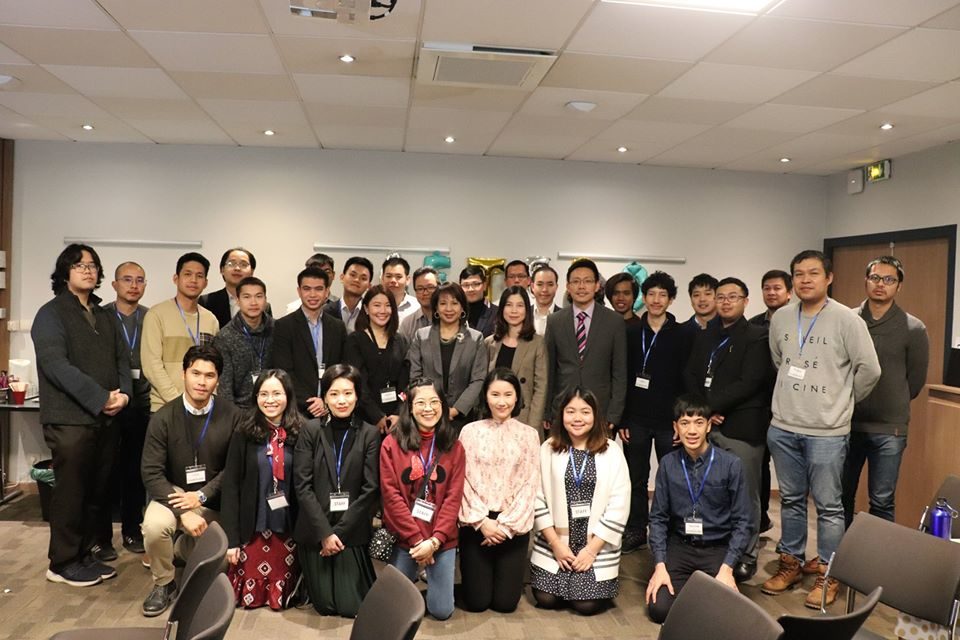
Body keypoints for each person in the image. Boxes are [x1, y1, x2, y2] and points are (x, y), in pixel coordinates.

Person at [762, 250, 881, 608]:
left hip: (828, 431)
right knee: (791, 500)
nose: (805, 280)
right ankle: (791, 563)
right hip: (784, 426)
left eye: (813, 273)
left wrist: (842, 400)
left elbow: (870, 369)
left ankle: (829, 574)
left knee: (829, 506)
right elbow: (780, 360)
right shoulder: (782, 317)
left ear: (829, 278)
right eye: (798, 274)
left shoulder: (847, 320)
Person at [32, 243, 131, 587]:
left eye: (92, 265)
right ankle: (62, 563)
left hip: (106, 419)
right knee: (71, 493)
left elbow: (122, 360)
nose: (88, 270)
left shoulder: (104, 315)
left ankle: (85, 554)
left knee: (96, 493)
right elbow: (55, 365)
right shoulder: (51, 314)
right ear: (65, 272)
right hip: (69, 419)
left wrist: (124, 395)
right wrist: (100, 397)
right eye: (79, 265)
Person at [140, 345, 240, 616]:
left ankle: (179, 548)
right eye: (196, 373)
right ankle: (164, 582)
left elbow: (234, 468)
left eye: (209, 375)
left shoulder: (232, 416)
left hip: (213, 499)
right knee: (154, 526)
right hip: (173, 494)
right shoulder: (163, 417)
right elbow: (151, 472)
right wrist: (182, 511)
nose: (202, 382)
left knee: (223, 560)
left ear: (218, 380)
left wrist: (202, 495)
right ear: (183, 374)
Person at [683, 277, 771, 582]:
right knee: (708, 491)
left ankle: (746, 554)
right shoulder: (706, 335)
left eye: (733, 297)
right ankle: (715, 550)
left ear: (746, 301)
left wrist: (710, 408)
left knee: (745, 494)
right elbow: (691, 374)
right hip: (708, 427)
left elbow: (750, 381)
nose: (725, 302)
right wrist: (705, 412)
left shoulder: (757, 336)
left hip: (741, 427)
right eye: (720, 297)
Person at [645, 394, 752, 624]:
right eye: (685, 423)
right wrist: (660, 565)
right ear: (676, 427)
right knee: (659, 609)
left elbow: (744, 521)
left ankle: (700, 597)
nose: (692, 431)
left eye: (699, 423)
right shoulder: (668, 464)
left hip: (717, 549)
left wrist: (727, 568)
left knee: (724, 615)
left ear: (709, 426)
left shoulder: (731, 464)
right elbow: (658, 519)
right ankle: (697, 598)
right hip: (681, 547)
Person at [842, 256, 928, 527]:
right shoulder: (847, 320)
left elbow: (915, 381)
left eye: (889, 279)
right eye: (875, 278)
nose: (881, 284)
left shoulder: (913, 328)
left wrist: (892, 398)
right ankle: (839, 550)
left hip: (890, 428)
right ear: (866, 281)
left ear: (899, 286)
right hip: (845, 422)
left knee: (882, 500)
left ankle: (878, 553)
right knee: (840, 495)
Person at [530, 387, 630, 616]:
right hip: (556, 542)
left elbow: (620, 503)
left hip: (595, 544)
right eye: (570, 411)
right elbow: (537, 497)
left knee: (585, 605)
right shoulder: (548, 448)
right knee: (545, 598)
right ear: (561, 415)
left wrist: (592, 551)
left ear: (595, 415)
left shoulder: (612, 451)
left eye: (585, 412)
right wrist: (556, 545)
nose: (577, 418)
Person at [294, 364, 380, 618]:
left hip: (349, 530)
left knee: (350, 607)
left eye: (348, 393)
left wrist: (337, 534)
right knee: (326, 607)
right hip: (316, 529)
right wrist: (325, 533)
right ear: (324, 397)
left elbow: (370, 488)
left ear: (357, 395)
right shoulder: (310, 430)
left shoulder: (370, 433)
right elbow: (302, 485)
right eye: (334, 394)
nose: (341, 400)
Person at [619, 270, 694, 554]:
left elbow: (687, 380)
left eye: (663, 295)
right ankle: (637, 529)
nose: (656, 300)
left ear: (671, 299)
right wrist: (623, 419)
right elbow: (624, 377)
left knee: (672, 476)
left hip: (668, 421)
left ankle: (671, 529)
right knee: (636, 478)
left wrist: (681, 421)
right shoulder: (631, 332)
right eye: (651, 294)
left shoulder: (683, 334)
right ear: (644, 297)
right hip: (636, 419)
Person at [379, 378, 466, 620]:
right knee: (394, 609)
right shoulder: (391, 444)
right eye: (420, 403)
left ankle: (432, 588)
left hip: (440, 539)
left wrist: (434, 542)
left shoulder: (455, 446)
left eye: (434, 402)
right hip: (406, 537)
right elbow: (391, 497)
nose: (428, 409)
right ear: (410, 407)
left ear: (443, 405)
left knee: (441, 611)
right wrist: (418, 541)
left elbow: (453, 499)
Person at [458, 368, 540, 613]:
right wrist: (482, 522)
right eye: (495, 394)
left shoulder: (529, 435)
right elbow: (462, 481)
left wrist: (504, 527)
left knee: (505, 604)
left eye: (508, 394)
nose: (501, 402)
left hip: (512, 526)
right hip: (477, 523)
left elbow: (530, 484)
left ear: (517, 397)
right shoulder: (469, 432)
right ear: (485, 396)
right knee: (477, 602)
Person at [221, 370, 302, 610]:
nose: (270, 400)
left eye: (277, 393)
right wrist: (231, 540)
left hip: (288, 525)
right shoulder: (243, 433)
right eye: (263, 394)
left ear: (288, 396)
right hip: (252, 525)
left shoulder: (302, 431)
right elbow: (231, 487)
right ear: (255, 397)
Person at [102, 261, 151, 559]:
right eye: (127, 279)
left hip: (142, 403)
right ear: (114, 284)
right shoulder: (101, 316)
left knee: (135, 471)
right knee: (105, 472)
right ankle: (102, 538)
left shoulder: (151, 317)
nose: (134, 285)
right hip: (108, 403)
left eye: (140, 280)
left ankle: (132, 529)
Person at [544, 258, 627, 430]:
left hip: (600, 410)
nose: (581, 287)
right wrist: (547, 412)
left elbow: (620, 373)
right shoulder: (555, 321)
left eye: (587, 281)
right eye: (576, 281)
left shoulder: (614, 322)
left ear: (597, 286)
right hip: (562, 409)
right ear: (568, 287)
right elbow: (549, 369)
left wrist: (614, 413)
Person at [141, 252, 219, 413]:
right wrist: (179, 401)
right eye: (187, 274)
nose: (193, 280)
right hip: (165, 407)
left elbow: (215, 366)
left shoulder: (210, 319)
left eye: (199, 276)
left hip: (203, 408)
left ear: (205, 282)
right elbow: (151, 366)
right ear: (176, 279)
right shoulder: (156, 314)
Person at [268, 266, 346, 419]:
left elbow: (342, 367)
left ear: (327, 292)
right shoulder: (284, 326)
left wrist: (327, 400)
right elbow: (284, 371)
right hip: (297, 411)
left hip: (332, 408)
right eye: (307, 289)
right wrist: (310, 402)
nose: (312, 294)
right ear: (299, 291)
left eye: (318, 289)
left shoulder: (338, 327)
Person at [408, 282, 488, 431]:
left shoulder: (475, 338)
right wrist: (431, 406)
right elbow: (415, 376)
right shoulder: (421, 336)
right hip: (427, 415)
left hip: (463, 418)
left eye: (455, 303)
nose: (449, 309)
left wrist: (456, 409)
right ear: (436, 308)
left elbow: (478, 380)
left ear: (462, 307)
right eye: (443, 303)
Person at [750, 268, 793, 533]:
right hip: (761, 405)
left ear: (789, 293)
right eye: (767, 288)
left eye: (777, 288)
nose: (771, 292)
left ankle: (792, 537)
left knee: (791, 475)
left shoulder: (798, 322)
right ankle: (761, 517)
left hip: (792, 405)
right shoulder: (754, 324)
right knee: (760, 464)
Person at [344, 285, 410, 433]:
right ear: (366, 309)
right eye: (377, 305)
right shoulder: (355, 340)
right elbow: (357, 382)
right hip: (365, 417)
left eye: (388, 305)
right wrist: (377, 416)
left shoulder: (400, 340)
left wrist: (398, 413)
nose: (383, 310)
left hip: (397, 419)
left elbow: (406, 380)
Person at [484, 286, 547, 435]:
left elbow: (541, 388)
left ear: (527, 310)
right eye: (509, 305)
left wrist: (532, 426)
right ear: (502, 309)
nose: (514, 311)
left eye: (519, 305)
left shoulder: (537, 343)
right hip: (493, 418)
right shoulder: (490, 343)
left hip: (525, 419)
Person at [211, 276, 274, 408]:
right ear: (238, 301)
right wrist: (234, 417)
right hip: (240, 410)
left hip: (275, 405)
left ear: (265, 300)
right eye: (247, 297)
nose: (253, 302)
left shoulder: (278, 330)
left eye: (259, 296)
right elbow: (225, 389)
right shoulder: (225, 337)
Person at [201, 247, 259, 328]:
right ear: (222, 270)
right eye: (231, 264)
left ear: (252, 272)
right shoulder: (206, 302)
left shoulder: (261, 305)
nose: (237, 268)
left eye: (243, 264)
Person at [324, 256, 373, 333]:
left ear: (369, 286)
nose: (357, 280)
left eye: (363, 278)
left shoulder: (371, 314)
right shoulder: (325, 312)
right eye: (353, 275)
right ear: (342, 277)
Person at [399, 266, 439, 342]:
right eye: (420, 289)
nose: (425, 293)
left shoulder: (449, 316)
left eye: (430, 287)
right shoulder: (408, 323)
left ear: (439, 288)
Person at [460, 265, 498, 337]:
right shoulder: (455, 313)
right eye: (466, 285)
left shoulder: (498, 313)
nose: (471, 289)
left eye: (476, 284)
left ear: (485, 285)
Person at [381, 255, 419, 321]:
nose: (393, 280)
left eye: (398, 277)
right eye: (389, 276)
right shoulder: (372, 305)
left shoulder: (417, 306)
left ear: (407, 280)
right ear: (382, 278)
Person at [531, 264, 561, 336]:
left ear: (556, 287)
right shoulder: (524, 314)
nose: (544, 289)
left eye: (550, 284)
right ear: (532, 287)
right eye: (540, 284)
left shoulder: (566, 317)